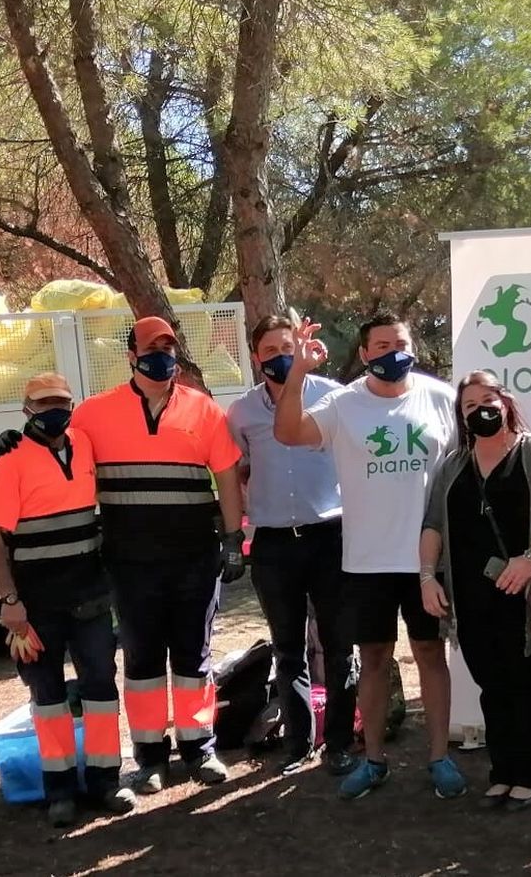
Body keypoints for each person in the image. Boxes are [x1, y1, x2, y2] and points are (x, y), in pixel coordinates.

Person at [274, 311, 466, 803]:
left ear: (413, 346)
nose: (390, 353)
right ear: (364, 354)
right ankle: (374, 758)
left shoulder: (440, 398)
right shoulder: (344, 404)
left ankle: (440, 757)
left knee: (430, 655)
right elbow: (289, 433)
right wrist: (297, 369)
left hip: (428, 559)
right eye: (379, 346)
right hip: (367, 561)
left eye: (398, 343)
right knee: (374, 657)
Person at [68, 316, 245, 793]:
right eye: (152, 347)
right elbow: (56, 453)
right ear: (131, 355)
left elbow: (227, 474)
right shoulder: (92, 413)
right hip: (130, 562)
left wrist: (233, 540)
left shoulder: (203, 409)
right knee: (143, 661)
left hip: (194, 558)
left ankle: (198, 749)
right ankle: (150, 757)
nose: (162, 356)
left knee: (194, 657)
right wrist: (17, 441)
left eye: (169, 347)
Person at [0, 372, 134, 827]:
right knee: (47, 698)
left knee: (101, 690)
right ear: (26, 409)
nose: (54, 411)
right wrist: (9, 600)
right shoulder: (10, 460)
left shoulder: (84, 442)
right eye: (43, 403)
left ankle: (106, 781)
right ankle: (59, 789)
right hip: (37, 603)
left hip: (89, 594)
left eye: (61, 402)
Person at [419, 372, 531, 811]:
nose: (479, 409)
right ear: (460, 416)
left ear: (504, 401)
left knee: (526, 683)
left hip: (523, 594)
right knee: (491, 685)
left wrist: (530, 560)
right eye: (468, 405)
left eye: (487, 399)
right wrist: (426, 577)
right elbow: (433, 526)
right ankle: (501, 772)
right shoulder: (452, 464)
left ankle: (528, 774)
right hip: (470, 597)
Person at [226, 315, 359, 777]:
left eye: (288, 345)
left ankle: (340, 744)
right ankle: (299, 744)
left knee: (340, 648)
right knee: (288, 650)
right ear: (255, 357)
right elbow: (236, 470)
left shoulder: (333, 397)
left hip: (330, 536)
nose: (279, 355)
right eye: (269, 349)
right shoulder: (241, 411)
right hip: (274, 544)